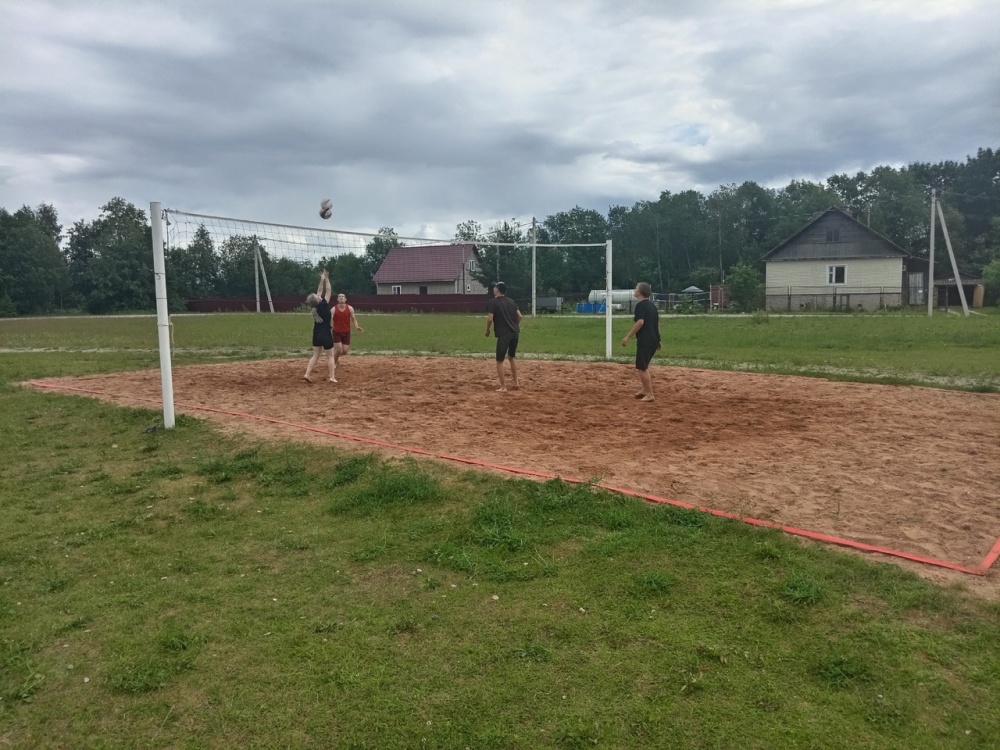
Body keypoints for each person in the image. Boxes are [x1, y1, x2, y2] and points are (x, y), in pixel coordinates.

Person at [620, 281, 661, 401]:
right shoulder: (652, 305)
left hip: (645, 339)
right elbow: (656, 323)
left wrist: (628, 337)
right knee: (644, 365)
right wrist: (658, 339)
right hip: (653, 339)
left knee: (642, 367)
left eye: (636, 288)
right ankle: (644, 389)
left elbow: (640, 322)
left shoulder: (640, 306)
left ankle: (649, 394)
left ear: (640, 292)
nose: (634, 289)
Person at [484, 281, 523, 392]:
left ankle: (503, 387)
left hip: (503, 335)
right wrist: (514, 325)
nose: (493, 289)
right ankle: (516, 382)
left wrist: (487, 330)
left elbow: (490, 318)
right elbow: (520, 316)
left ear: (498, 289)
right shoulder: (511, 301)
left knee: (499, 361)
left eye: (495, 287)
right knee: (511, 357)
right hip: (515, 333)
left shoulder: (493, 302)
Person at [304, 270, 336, 383]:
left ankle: (307, 374)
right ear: (317, 299)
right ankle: (332, 377)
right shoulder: (323, 305)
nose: (318, 295)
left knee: (315, 355)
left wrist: (321, 279)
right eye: (316, 296)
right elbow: (327, 291)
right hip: (326, 333)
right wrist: (326, 279)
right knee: (330, 356)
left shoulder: (314, 307)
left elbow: (319, 291)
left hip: (316, 334)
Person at [331, 292, 363, 370]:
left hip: (346, 332)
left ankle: (337, 356)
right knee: (339, 349)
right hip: (336, 332)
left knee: (345, 351)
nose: (341, 297)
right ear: (337, 299)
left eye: (343, 296)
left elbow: (353, 319)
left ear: (345, 299)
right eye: (339, 296)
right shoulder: (333, 309)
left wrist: (357, 327)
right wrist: (329, 328)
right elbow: (330, 319)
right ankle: (333, 363)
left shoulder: (350, 308)